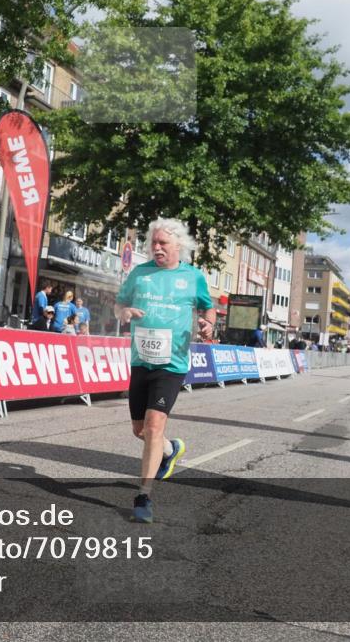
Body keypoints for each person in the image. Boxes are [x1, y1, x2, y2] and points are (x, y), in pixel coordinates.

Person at [114, 217, 214, 524]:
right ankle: (171, 450)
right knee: (140, 430)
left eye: (163, 244)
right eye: (153, 243)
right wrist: (125, 311)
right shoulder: (140, 274)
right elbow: (119, 304)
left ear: (178, 246)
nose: (156, 248)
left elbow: (207, 307)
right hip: (141, 361)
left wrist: (208, 324)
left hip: (171, 365)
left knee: (154, 426)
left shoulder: (193, 276)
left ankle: (143, 497)